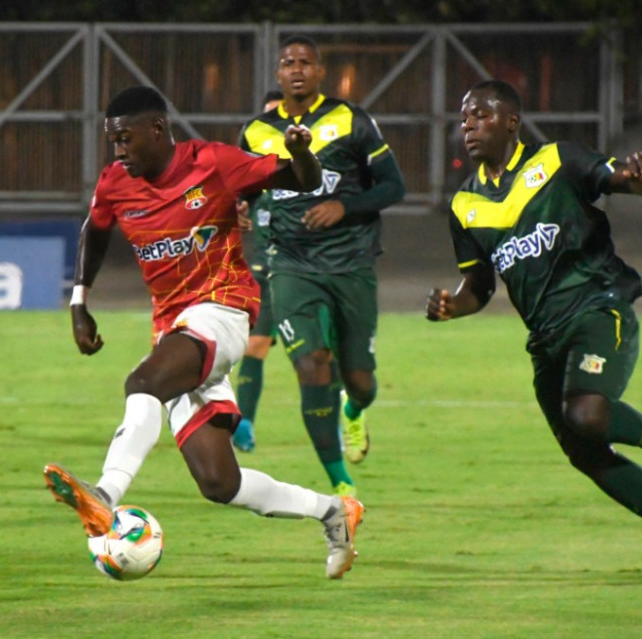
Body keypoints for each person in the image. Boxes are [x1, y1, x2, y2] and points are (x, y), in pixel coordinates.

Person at [43, 85, 364, 580]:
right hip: (175, 330)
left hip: (224, 309)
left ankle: (105, 496)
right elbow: (96, 227)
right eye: (113, 142)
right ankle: (334, 512)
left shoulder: (212, 163)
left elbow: (299, 179)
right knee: (219, 482)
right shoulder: (115, 183)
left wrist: (301, 154)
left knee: (143, 384)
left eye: (126, 139)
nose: (119, 151)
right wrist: (80, 299)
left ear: (158, 130)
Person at [426, 79, 642, 582]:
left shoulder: (557, 161)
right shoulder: (465, 205)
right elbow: (478, 286)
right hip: (545, 341)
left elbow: (627, 181)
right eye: (463, 119)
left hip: (599, 308)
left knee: (587, 413)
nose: (469, 126)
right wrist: (451, 305)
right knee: (586, 454)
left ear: (511, 121)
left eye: (480, 116)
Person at [238, 35, 406, 496]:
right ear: (278, 74)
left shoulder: (350, 120)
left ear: (319, 72)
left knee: (360, 380)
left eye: (305, 62)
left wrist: (344, 207)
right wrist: (235, 208)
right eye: (288, 62)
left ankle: (353, 411)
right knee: (312, 364)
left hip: (350, 264)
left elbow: (394, 187)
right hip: (289, 266)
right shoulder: (256, 132)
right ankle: (342, 486)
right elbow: (244, 189)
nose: (296, 69)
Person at [231, 90, 283, 453]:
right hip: (267, 271)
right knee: (255, 345)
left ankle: (342, 416)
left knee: (323, 355)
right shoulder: (256, 178)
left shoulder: (311, 171)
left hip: (310, 272)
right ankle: (244, 422)